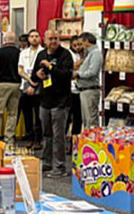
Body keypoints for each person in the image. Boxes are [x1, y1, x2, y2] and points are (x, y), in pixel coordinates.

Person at [29, 29, 74, 177]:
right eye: (50, 39)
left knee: (58, 135)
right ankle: (47, 163)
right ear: (45, 40)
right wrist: (37, 75)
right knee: (46, 134)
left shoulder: (65, 55)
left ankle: (60, 167)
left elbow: (67, 75)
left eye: (56, 39)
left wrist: (50, 67)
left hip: (60, 101)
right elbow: (34, 74)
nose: (53, 41)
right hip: (44, 100)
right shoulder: (41, 54)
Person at [0, 31, 22, 142]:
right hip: (16, 84)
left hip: (1, 84)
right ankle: (9, 138)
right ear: (14, 40)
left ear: (5, 40)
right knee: (12, 113)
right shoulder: (20, 53)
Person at [18, 29, 44, 148]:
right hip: (25, 85)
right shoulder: (23, 53)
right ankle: (29, 137)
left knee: (38, 115)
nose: (34, 38)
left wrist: (35, 84)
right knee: (27, 114)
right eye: (32, 36)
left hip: (39, 87)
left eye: (36, 36)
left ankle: (38, 139)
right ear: (28, 39)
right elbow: (20, 70)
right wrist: (29, 82)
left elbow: (44, 72)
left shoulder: (43, 52)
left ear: (39, 38)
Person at [74, 32, 103, 129]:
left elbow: (92, 72)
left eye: (81, 43)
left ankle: (93, 142)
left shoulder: (96, 54)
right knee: (86, 121)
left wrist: (78, 74)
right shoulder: (89, 54)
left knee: (91, 121)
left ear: (86, 42)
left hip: (90, 90)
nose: (80, 46)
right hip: (84, 90)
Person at [67, 36, 83, 137]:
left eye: (79, 45)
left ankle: (75, 138)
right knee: (68, 116)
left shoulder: (83, 54)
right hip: (70, 90)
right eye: (75, 45)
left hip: (80, 89)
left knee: (78, 116)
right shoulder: (68, 54)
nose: (77, 47)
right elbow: (72, 66)